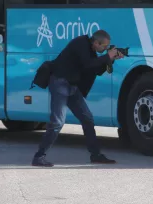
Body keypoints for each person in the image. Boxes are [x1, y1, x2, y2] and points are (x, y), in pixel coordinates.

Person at [32, 30, 124, 167]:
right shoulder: (80, 43)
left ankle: (96, 155)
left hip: (72, 87)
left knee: (87, 118)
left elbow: (97, 70)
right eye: (104, 47)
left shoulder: (92, 50)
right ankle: (39, 157)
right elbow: (88, 64)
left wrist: (111, 59)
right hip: (60, 83)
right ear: (96, 42)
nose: (105, 50)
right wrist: (107, 57)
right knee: (57, 122)